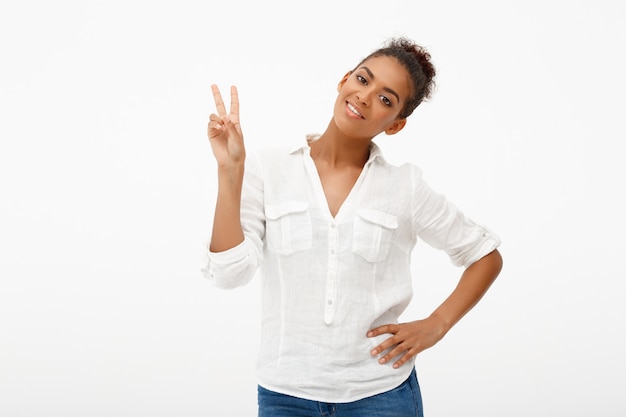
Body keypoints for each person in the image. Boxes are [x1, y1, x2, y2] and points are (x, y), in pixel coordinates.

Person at [203, 37, 503, 417]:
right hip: (284, 395)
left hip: (382, 395)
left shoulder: (405, 187)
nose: (365, 96)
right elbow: (229, 276)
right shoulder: (268, 169)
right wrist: (230, 171)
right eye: (363, 80)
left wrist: (436, 325)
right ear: (344, 80)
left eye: (386, 99)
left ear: (396, 125)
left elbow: (484, 255)